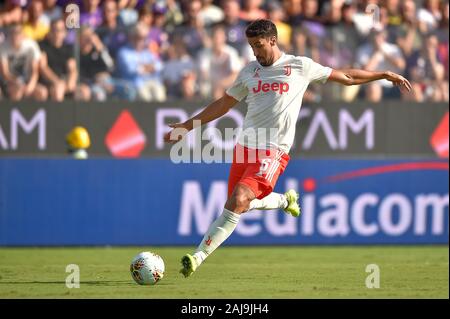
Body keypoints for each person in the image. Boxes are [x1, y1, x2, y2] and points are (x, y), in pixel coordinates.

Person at [164, 19, 411, 278]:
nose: (255, 52)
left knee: (238, 199)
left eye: (258, 45)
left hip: (274, 149)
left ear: (273, 40)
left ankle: (197, 257)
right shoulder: (249, 71)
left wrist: (382, 74)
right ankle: (284, 200)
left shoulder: (299, 66)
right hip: (245, 147)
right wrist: (188, 126)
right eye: (250, 46)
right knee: (241, 205)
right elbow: (224, 104)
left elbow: (346, 76)